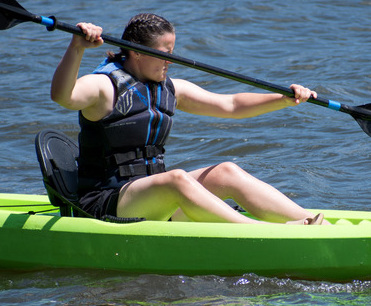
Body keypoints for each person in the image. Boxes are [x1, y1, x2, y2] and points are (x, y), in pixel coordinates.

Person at [50, 13, 324, 225]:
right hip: (105, 202)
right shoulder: (103, 87)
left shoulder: (171, 88)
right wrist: (77, 48)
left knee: (226, 171)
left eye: (172, 53)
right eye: (163, 54)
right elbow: (63, 96)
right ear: (135, 51)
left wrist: (284, 99)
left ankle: (315, 223)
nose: (170, 62)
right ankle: (261, 231)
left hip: (153, 200)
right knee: (176, 179)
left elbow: (230, 104)